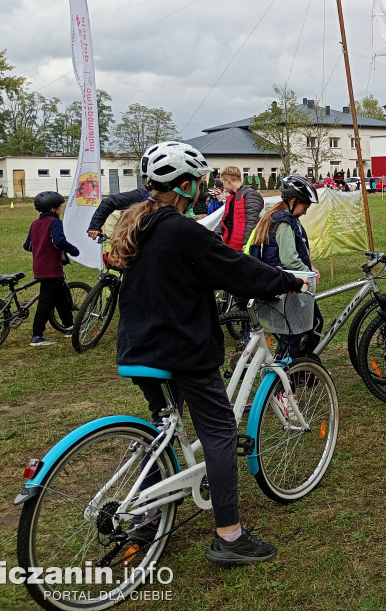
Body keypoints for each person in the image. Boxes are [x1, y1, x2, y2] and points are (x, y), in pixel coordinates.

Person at [109, 141, 307, 565]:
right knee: (219, 432)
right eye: (199, 183)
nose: (203, 189)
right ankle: (230, 537)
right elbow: (239, 270)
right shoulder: (181, 230)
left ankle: (146, 513)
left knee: (163, 430)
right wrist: (290, 281)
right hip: (181, 350)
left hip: (139, 348)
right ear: (183, 186)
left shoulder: (141, 225)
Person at [248, 175, 324, 360]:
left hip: (281, 282)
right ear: (292, 201)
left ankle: (298, 367)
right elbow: (289, 259)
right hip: (290, 285)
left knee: (294, 332)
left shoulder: (275, 217)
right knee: (305, 328)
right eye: (304, 207)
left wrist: (310, 266)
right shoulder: (284, 222)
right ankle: (296, 372)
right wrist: (307, 273)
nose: (305, 212)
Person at [24, 191, 80, 346]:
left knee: (62, 297)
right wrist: (73, 250)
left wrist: (41, 247)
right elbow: (59, 241)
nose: (61, 210)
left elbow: (27, 246)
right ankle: (37, 335)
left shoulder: (35, 223)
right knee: (46, 302)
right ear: (54, 209)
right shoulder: (54, 222)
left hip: (40, 267)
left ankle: (69, 327)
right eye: (60, 207)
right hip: (51, 269)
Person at [216, 166, 264, 251]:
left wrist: (246, 244)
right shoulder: (231, 198)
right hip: (231, 247)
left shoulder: (250, 194)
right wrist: (218, 233)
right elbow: (225, 220)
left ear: (228, 180)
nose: (224, 188)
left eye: (223, 183)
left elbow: (252, 221)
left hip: (243, 249)